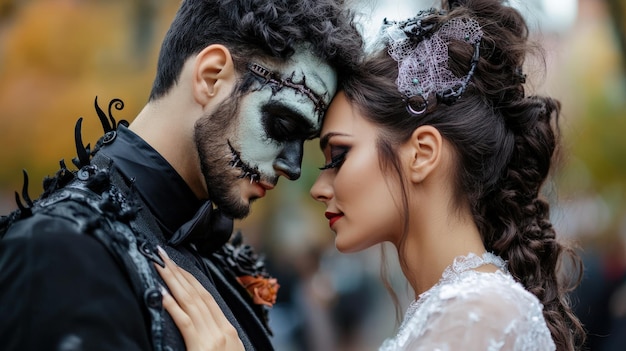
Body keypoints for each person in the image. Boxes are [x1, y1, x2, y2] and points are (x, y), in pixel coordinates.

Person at [159, 0, 587, 350]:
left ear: (422, 154)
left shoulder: (478, 313)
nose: (318, 188)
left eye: (339, 155)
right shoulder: (459, 307)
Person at [0, 0, 363, 350]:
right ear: (211, 77)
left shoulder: (217, 259)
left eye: (304, 141)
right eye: (283, 124)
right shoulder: (58, 250)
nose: (294, 167)